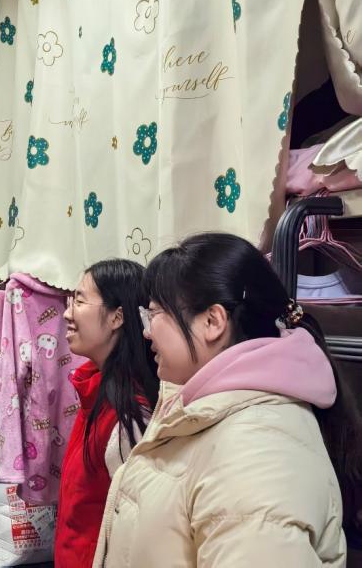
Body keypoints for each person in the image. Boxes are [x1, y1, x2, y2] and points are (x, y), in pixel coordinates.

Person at [93, 232, 362, 567]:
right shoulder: (205, 410)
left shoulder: (257, 453)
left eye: (154, 313)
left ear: (212, 322)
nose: (147, 331)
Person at [54, 259, 159, 567]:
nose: (67, 313)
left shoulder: (131, 416)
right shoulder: (95, 394)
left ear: (117, 317)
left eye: (80, 301)